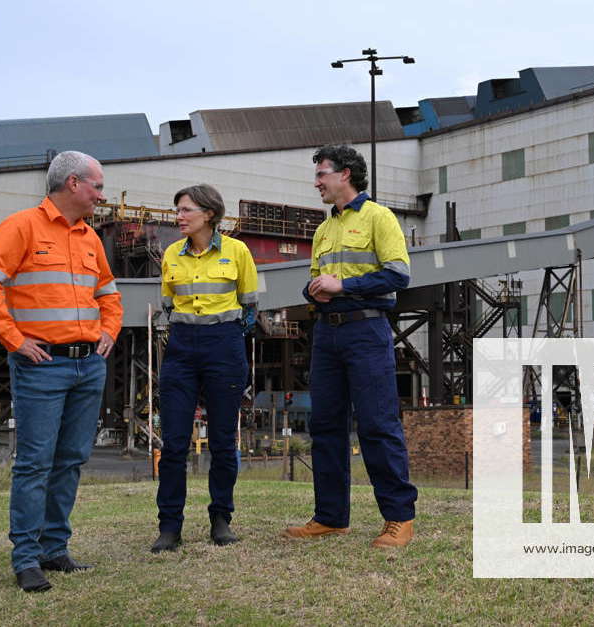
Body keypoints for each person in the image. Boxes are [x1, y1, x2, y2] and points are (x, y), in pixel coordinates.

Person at [0, 151, 122, 593]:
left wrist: (109, 330)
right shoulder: (21, 227)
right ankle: (26, 558)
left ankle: (55, 549)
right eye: (97, 185)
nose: (101, 194)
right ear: (73, 183)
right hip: (42, 365)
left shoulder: (90, 238)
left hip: (88, 365)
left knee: (70, 460)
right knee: (34, 464)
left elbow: (108, 293)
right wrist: (14, 339)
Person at [283, 144, 417, 548]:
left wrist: (344, 286)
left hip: (367, 331)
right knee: (325, 426)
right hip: (327, 333)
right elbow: (315, 279)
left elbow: (398, 276)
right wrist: (314, 291)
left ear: (345, 174)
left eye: (322, 173)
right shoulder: (324, 229)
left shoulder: (380, 217)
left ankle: (399, 518)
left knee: (377, 423)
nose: (316, 181)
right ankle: (330, 517)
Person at [150, 184, 258, 553]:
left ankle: (221, 520)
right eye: (177, 210)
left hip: (224, 347)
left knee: (224, 442)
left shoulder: (237, 252)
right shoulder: (170, 255)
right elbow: (168, 304)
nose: (178, 216)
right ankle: (169, 527)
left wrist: (222, 336)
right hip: (181, 349)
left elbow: (249, 308)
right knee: (175, 442)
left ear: (209, 214)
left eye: (185, 210)